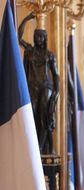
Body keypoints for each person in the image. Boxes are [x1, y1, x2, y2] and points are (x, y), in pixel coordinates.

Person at [18, 13, 60, 154]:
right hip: (32, 87)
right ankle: (33, 146)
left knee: (43, 117)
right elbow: (17, 37)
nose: (38, 38)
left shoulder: (50, 55)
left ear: (45, 38)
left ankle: (41, 148)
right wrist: (27, 18)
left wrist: (56, 92)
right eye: (36, 36)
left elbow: (56, 75)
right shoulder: (29, 51)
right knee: (32, 115)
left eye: (41, 36)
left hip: (46, 88)